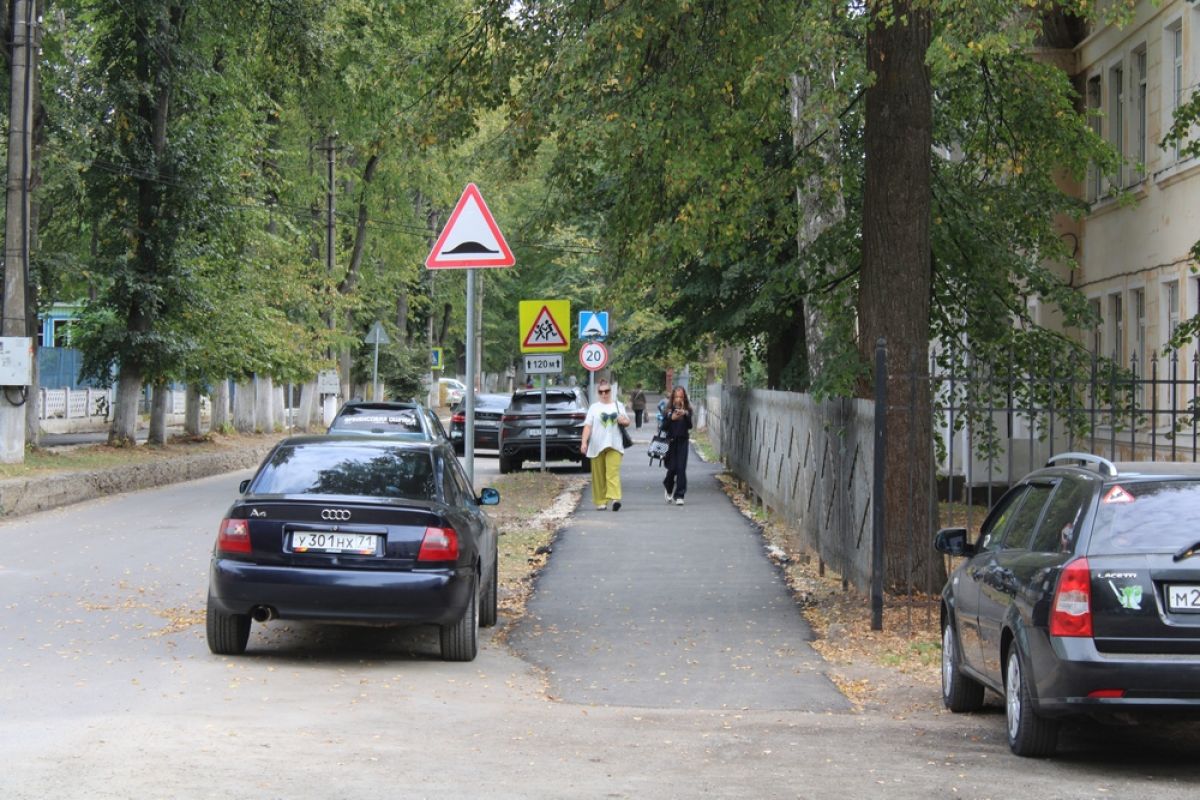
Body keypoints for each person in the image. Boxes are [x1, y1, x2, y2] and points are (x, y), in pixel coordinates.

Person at [580, 378, 631, 511]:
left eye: (606, 391)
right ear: (598, 393)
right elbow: (587, 426)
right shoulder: (593, 408)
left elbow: (627, 422)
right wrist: (584, 442)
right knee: (598, 475)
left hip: (614, 444)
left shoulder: (618, 405)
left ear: (611, 391)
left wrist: (622, 420)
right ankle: (601, 501)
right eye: (601, 392)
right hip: (596, 445)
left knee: (612, 472)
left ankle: (615, 499)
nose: (604, 394)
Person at [661, 386, 693, 506]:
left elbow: (690, 426)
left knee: (681, 469)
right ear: (673, 398)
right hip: (670, 442)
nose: (678, 399)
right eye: (676, 397)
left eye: (681, 397)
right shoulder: (668, 410)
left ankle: (680, 495)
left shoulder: (688, 409)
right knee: (672, 468)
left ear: (684, 397)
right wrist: (671, 418)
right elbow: (663, 427)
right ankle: (668, 486)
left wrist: (685, 414)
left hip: (683, 441)